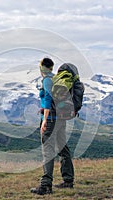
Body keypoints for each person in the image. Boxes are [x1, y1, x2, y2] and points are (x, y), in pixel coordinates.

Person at [30, 58, 75, 195]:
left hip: (51, 120)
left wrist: (45, 120)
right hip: (61, 118)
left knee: (48, 150)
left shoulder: (47, 80)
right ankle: (68, 180)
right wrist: (43, 109)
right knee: (62, 148)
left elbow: (48, 99)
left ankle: (45, 185)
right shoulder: (57, 79)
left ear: (41, 67)